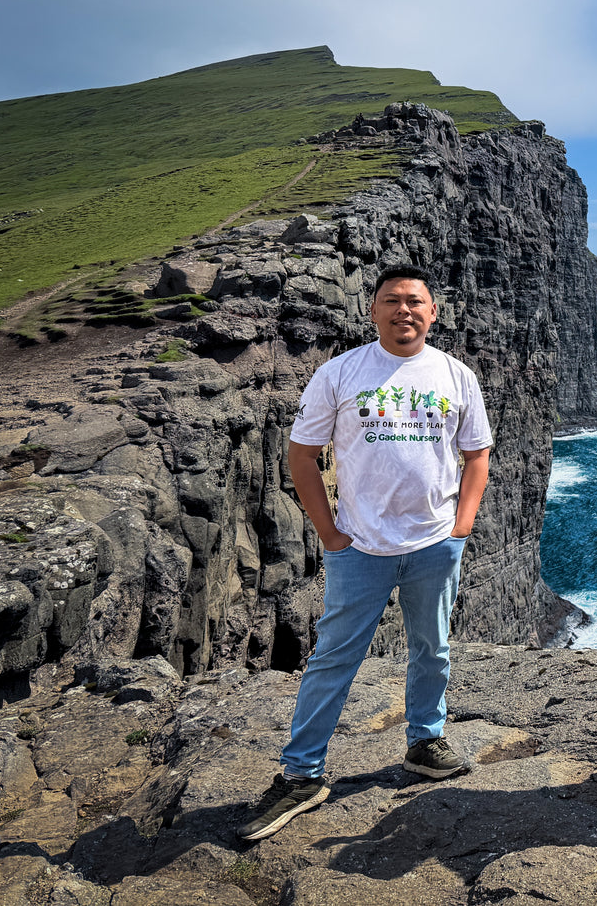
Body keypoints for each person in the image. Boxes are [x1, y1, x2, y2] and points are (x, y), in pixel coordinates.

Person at [238, 264, 494, 840]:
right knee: (333, 658)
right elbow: (301, 454)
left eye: (415, 302)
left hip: (435, 543)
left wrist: (462, 526)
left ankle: (424, 743)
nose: (404, 310)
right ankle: (302, 774)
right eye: (392, 301)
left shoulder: (457, 376)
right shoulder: (341, 372)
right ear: (372, 310)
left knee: (432, 648)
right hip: (361, 547)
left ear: (434, 312)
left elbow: (476, 454)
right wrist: (330, 534)